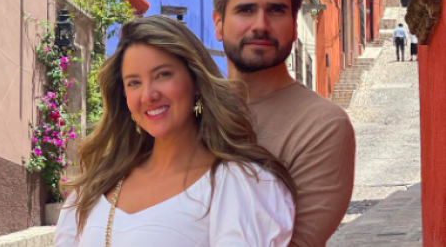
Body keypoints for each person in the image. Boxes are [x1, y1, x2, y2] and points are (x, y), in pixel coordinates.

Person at [54, 16, 296, 247]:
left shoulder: (236, 185)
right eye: (134, 83)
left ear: (196, 81)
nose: (148, 95)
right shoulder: (96, 186)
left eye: (163, 75)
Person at [212, 0, 356, 247]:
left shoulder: (321, 126)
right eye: (245, 10)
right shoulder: (194, 108)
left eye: (276, 10)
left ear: (294, 27)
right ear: (218, 23)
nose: (260, 25)